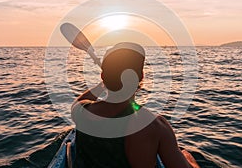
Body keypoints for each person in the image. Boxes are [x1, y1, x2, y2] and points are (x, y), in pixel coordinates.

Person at [71, 42, 200, 168]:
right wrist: (188, 158)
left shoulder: (82, 112)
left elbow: (79, 101)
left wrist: (103, 84)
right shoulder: (156, 126)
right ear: (141, 76)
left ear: (103, 76)